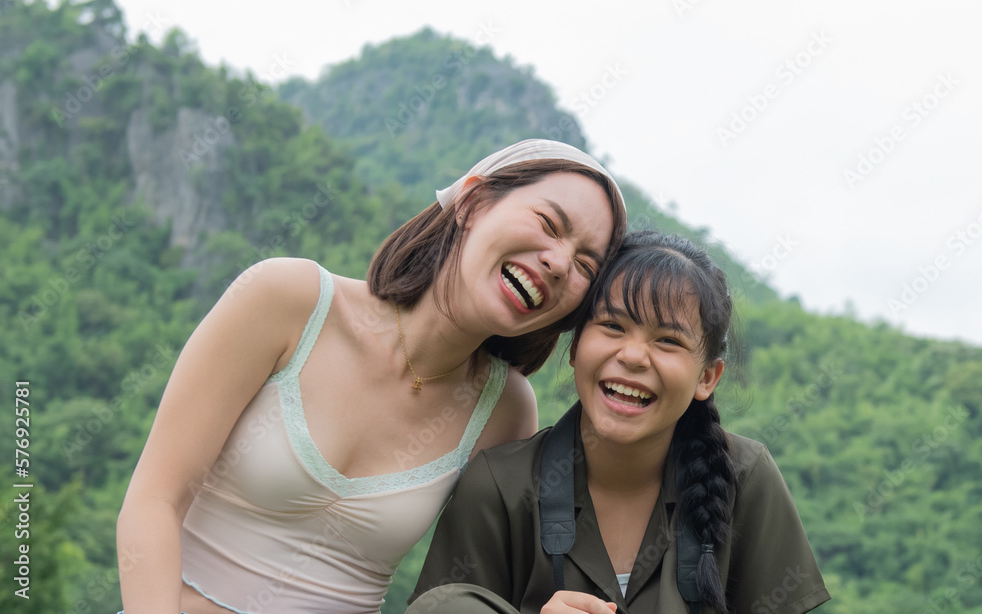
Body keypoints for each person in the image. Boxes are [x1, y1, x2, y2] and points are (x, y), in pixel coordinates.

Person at [115, 139, 628, 614]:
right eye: (548, 223)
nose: (560, 262)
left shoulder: (505, 409)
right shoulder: (288, 301)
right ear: (472, 204)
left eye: (586, 264)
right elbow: (155, 499)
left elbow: (471, 589)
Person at [407, 230, 831, 614]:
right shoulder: (500, 484)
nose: (632, 356)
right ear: (574, 349)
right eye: (612, 325)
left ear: (707, 377)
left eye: (668, 341)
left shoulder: (745, 476)